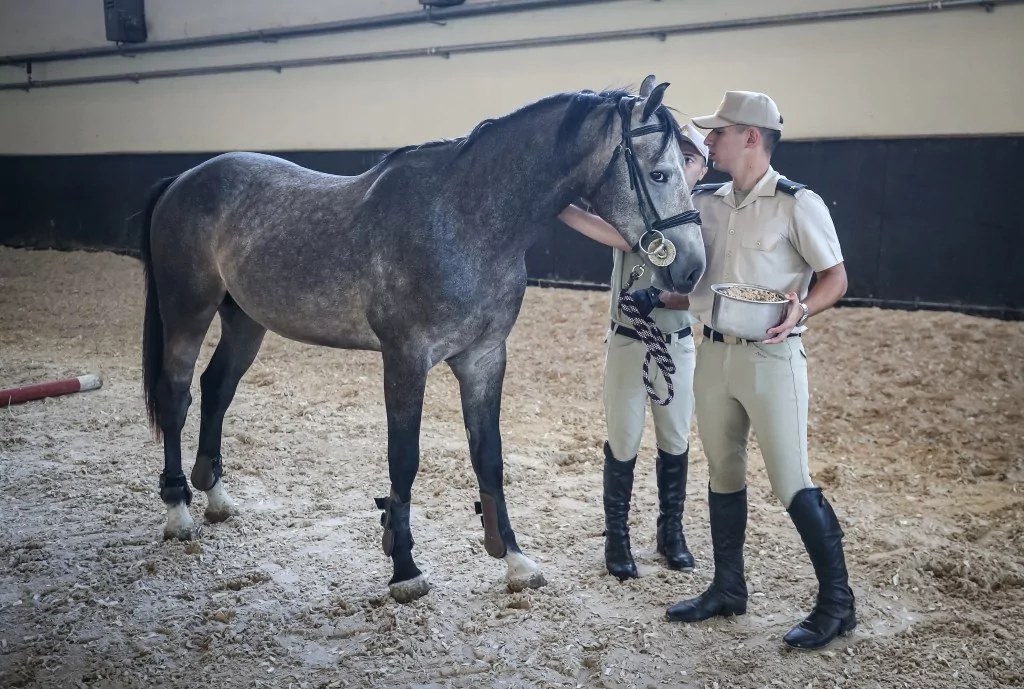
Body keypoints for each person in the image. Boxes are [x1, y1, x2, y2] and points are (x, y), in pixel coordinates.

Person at [663, 91, 855, 650]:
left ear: (751, 136)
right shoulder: (706, 203)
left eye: (718, 132)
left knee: (791, 481)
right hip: (714, 355)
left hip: (773, 359)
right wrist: (667, 301)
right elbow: (700, 284)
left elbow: (835, 279)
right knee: (723, 475)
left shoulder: (799, 204)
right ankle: (728, 587)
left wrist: (802, 308)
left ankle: (838, 604)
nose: (710, 140)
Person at [558, 124, 710, 580]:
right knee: (622, 440)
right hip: (628, 339)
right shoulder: (642, 212)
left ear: (703, 169)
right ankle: (617, 538)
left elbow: (704, 286)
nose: (681, 165)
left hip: (675, 342)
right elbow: (618, 236)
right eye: (675, 157)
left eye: (690, 158)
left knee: (675, 439)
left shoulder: (703, 220)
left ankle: (672, 532)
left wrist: (665, 301)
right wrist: (558, 202)